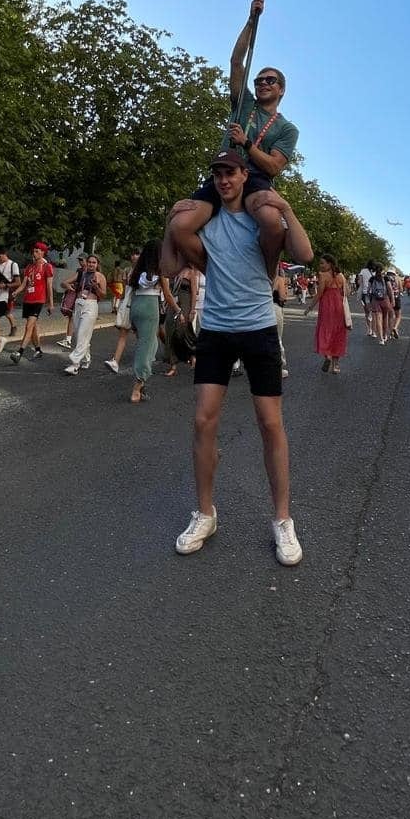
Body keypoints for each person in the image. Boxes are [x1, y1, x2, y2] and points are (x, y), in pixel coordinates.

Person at [173, 150, 312, 566]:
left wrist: (284, 205)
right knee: (202, 421)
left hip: (258, 329)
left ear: (243, 174)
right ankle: (205, 513)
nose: (223, 180)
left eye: (229, 172)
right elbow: (173, 259)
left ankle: (283, 520)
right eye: (216, 173)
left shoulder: (261, 223)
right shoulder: (206, 223)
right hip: (216, 329)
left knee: (270, 424)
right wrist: (170, 220)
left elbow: (304, 254)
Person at [162, 0, 300, 280]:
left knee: (272, 220)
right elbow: (236, 61)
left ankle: (269, 268)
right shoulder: (243, 105)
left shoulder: (287, 129)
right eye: (259, 80)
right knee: (180, 225)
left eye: (270, 80)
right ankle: (212, 271)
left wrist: (247, 144)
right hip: (224, 173)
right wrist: (252, 20)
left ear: (282, 89)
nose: (262, 83)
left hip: (255, 179)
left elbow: (274, 167)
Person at [126, 241, 163, 403]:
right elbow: (167, 294)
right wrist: (177, 310)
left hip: (136, 305)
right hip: (149, 306)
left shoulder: (136, 272)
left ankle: (142, 386)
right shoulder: (159, 272)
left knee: (151, 344)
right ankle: (138, 385)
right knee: (146, 347)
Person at [63, 253, 108, 375]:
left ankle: (75, 363)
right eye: (89, 262)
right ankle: (86, 359)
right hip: (78, 303)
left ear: (97, 264)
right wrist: (69, 286)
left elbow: (103, 295)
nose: (91, 264)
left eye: (94, 262)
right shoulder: (81, 273)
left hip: (90, 305)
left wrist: (96, 287)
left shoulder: (100, 276)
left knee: (83, 333)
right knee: (80, 334)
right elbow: (64, 282)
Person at [10, 240, 55, 364]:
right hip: (28, 299)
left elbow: (49, 286)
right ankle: (38, 349)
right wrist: (16, 292)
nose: (34, 253)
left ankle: (20, 351)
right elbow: (24, 284)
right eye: (33, 251)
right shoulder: (29, 267)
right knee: (33, 326)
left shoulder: (47, 267)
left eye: (37, 251)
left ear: (43, 253)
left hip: (38, 300)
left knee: (29, 326)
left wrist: (50, 304)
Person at [307, 254, 349, 373]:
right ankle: (336, 366)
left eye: (322, 263)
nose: (320, 265)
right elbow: (347, 292)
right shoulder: (341, 276)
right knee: (338, 333)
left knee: (325, 331)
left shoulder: (323, 276)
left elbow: (319, 294)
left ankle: (328, 356)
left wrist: (309, 307)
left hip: (327, 307)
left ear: (329, 264)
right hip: (339, 307)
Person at [106, 252, 140, 374]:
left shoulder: (145, 271)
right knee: (123, 332)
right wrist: (120, 304)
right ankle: (115, 361)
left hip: (139, 303)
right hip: (127, 303)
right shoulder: (127, 270)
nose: (134, 256)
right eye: (132, 254)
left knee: (140, 335)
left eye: (137, 254)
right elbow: (126, 290)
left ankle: (146, 357)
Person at [165, 266, 202, 378]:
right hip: (173, 304)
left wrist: (192, 310)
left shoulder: (191, 273)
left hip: (186, 303)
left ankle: (192, 354)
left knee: (182, 332)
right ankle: (173, 365)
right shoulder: (173, 271)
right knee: (170, 331)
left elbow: (194, 292)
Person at [367, 265, 390, 345]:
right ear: (382, 270)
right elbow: (389, 289)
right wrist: (392, 299)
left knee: (378, 319)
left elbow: (368, 290)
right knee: (385, 318)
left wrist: (369, 301)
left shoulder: (372, 279)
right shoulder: (386, 278)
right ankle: (385, 335)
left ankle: (381, 339)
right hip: (385, 300)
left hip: (375, 300)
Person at [356, 262, 373, 335]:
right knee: (374, 312)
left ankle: (369, 329)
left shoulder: (363, 271)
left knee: (367, 312)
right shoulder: (375, 271)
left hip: (365, 293)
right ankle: (374, 330)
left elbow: (360, 282)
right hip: (374, 294)